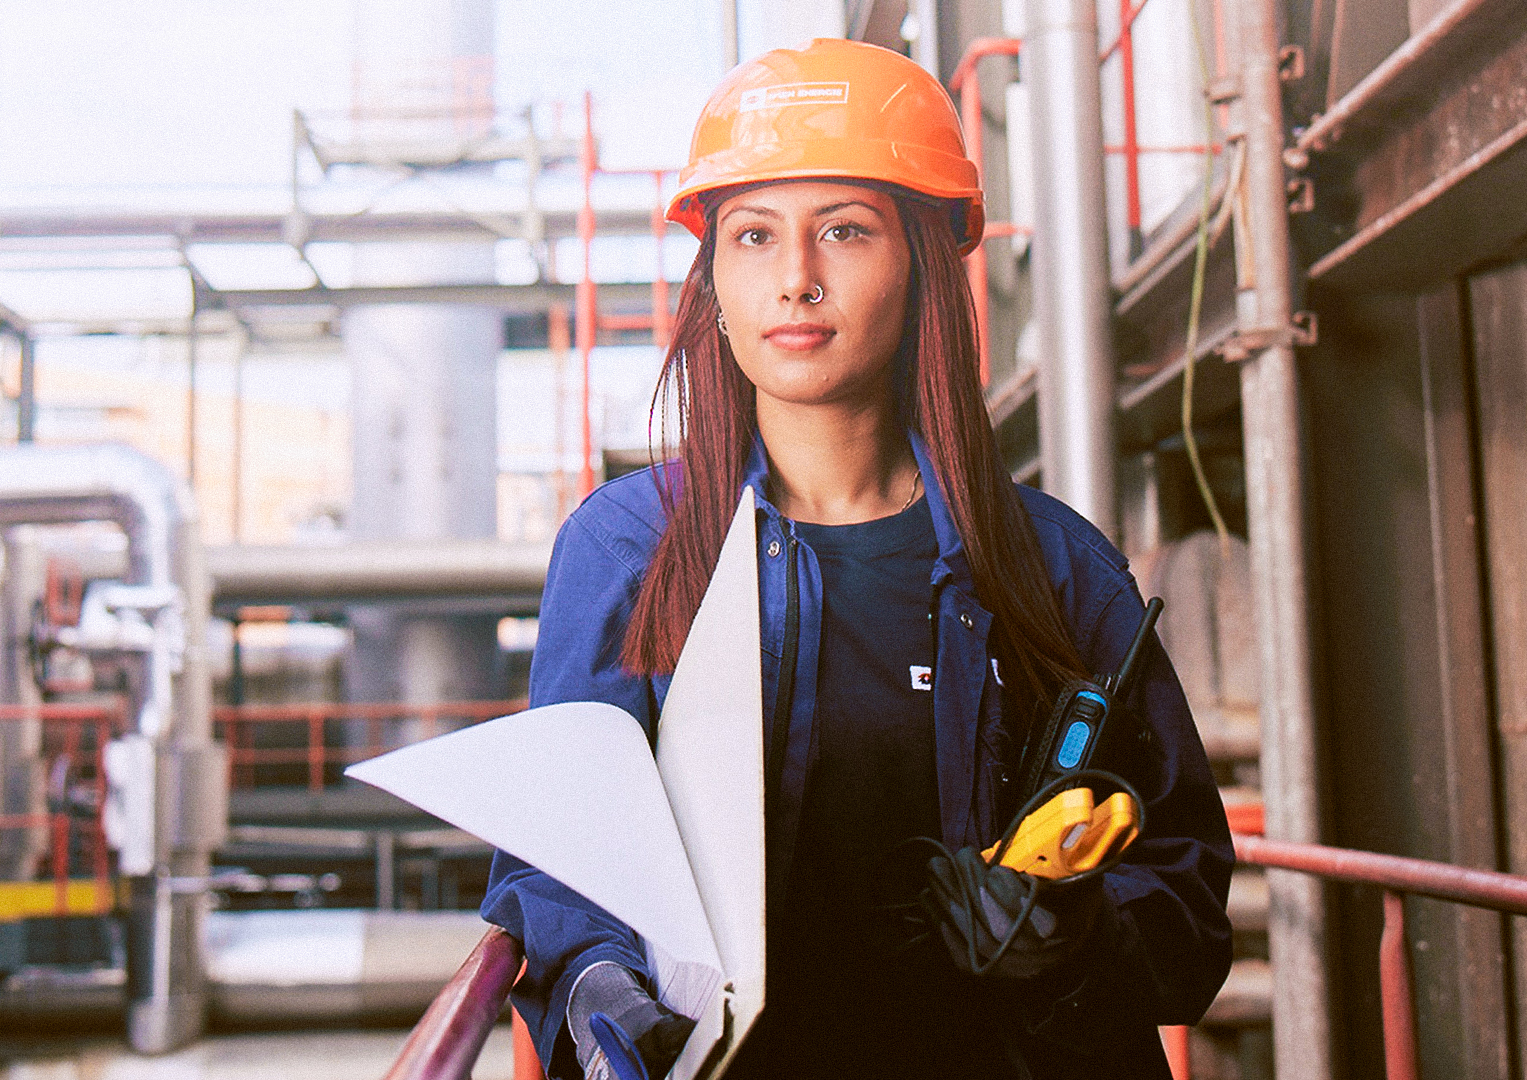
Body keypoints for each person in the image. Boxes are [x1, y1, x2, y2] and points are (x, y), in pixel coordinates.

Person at [481, 38, 1233, 1080]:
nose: (796, 279)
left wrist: (1077, 934)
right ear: (713, 281)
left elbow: (1186, 902)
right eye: (753, 236)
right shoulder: (628, 550)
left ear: (921, 266)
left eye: (844, 230)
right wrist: (601, 991)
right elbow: (559, 866)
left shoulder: (1055, 566)